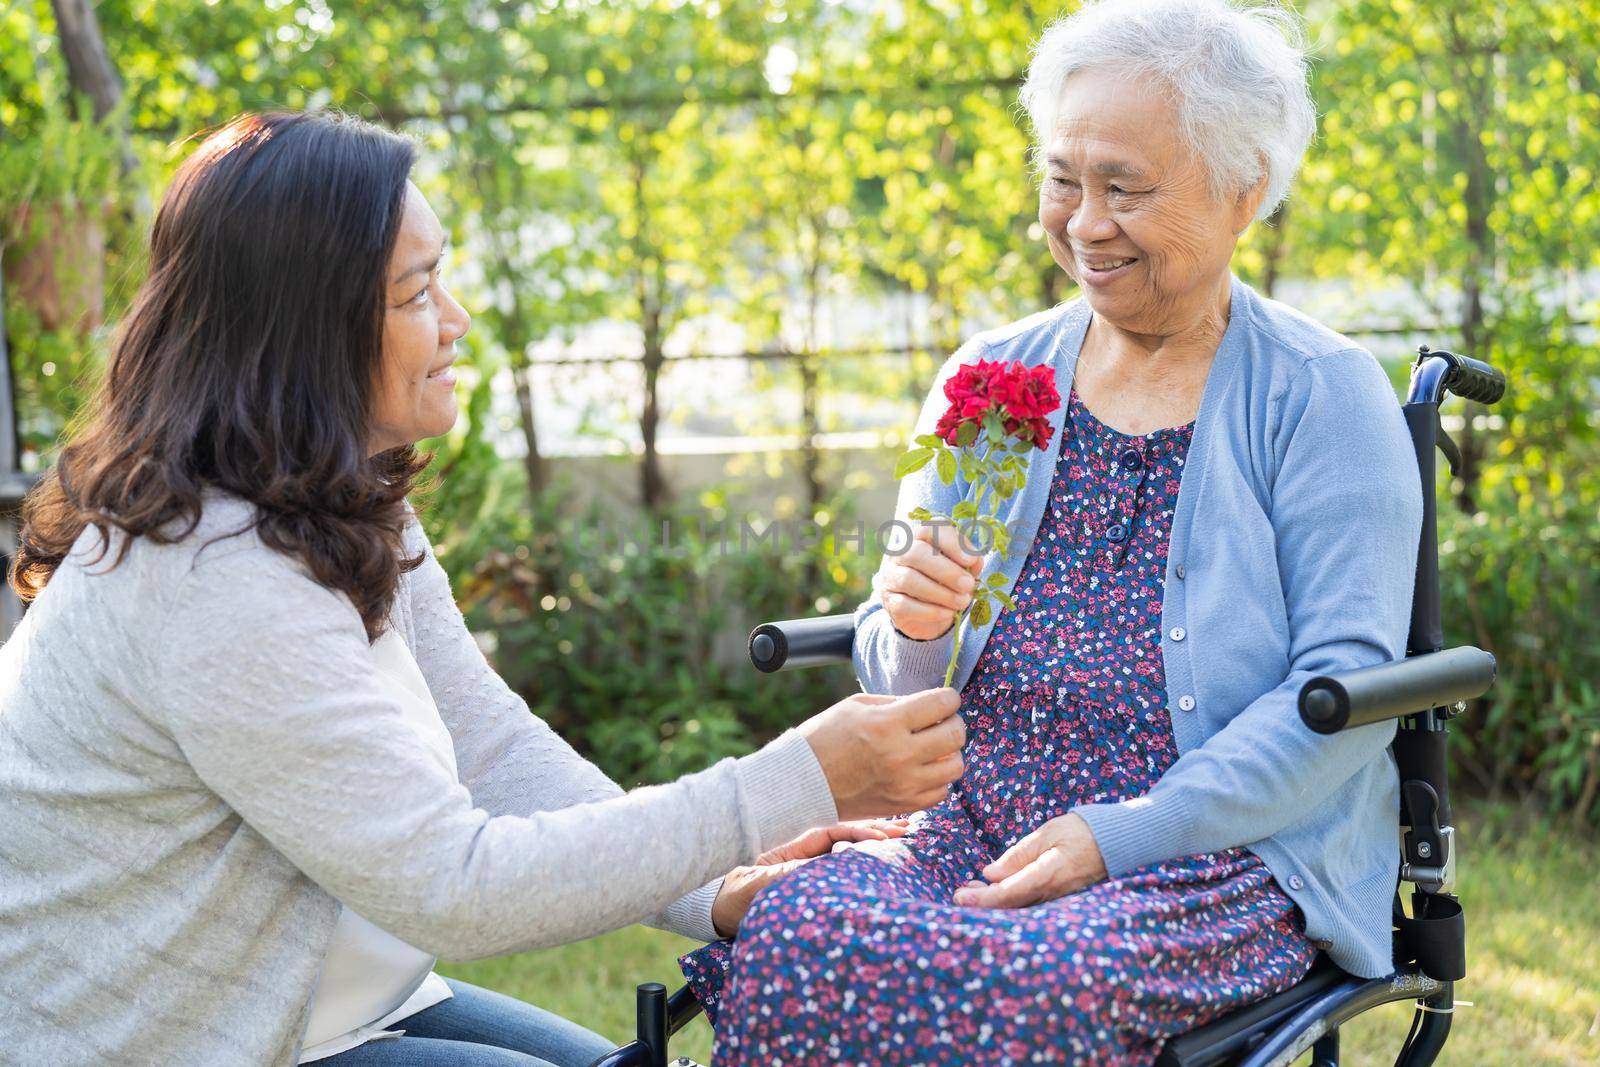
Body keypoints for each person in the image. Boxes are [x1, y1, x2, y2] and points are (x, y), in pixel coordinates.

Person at [0, 110, 968, 1066]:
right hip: (161, 1039)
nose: (456, 322)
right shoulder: (214, 578)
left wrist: (715, 885)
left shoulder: (330, 503)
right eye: (416, 292)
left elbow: (490, 747)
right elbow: (455, 888)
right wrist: (794, 779)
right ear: (304, 328)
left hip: (322, 999)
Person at [678, 2, 1423, 1063]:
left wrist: (1117, 832)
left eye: (1124, 187)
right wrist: (916, 624)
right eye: (1063, 179)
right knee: (795, 918)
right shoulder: (996, 377)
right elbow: (897, 675)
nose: (1082, 222)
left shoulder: (1318, 393)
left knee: (1030, 977)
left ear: (1243, 188)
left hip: (1210, 852)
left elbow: (1342, 692)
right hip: (971, 821)